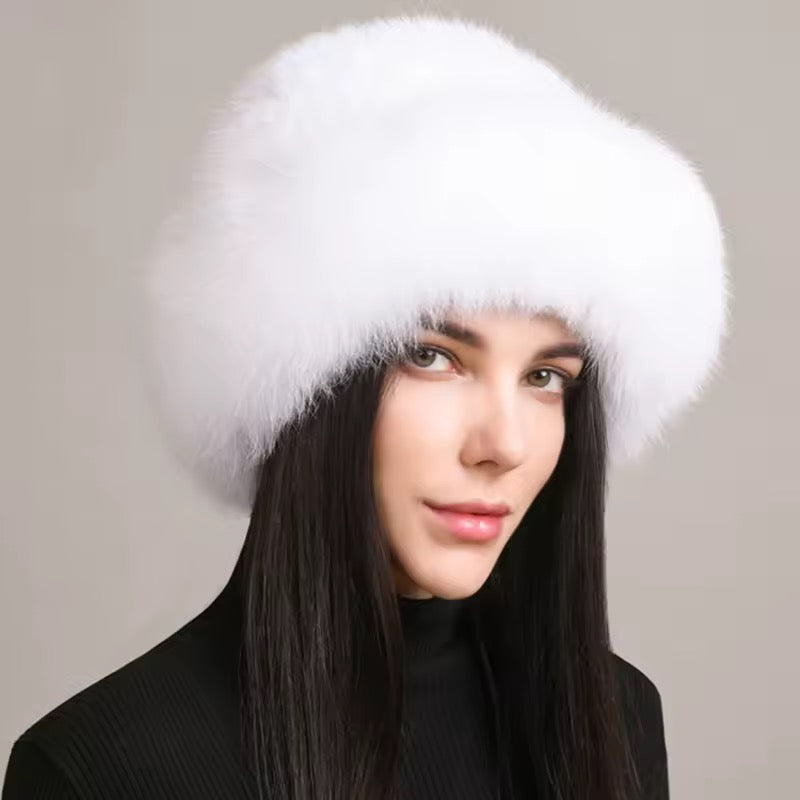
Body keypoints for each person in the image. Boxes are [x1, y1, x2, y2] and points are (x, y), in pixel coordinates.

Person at [2, 13, 730, 800]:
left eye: (546, 377)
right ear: (310, 387)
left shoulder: (615, 719)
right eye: (433, 357)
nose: (505, 444)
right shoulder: (105, 771)